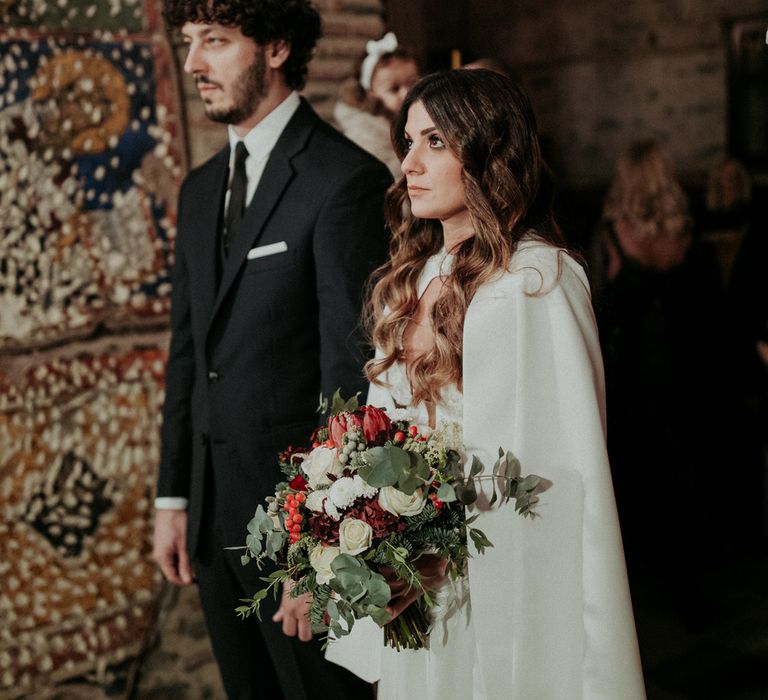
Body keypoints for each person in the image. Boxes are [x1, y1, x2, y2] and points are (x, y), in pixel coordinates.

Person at [326, 69, 646, 699]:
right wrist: (365, 526)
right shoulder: (413, 278)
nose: (410, 162)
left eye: (436, 142)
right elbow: (382, 435)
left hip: (491, 582)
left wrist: (440, 547)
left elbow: (559, 470)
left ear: (489, 153)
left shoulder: (536, 281)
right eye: (409, 140)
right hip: (414, 584)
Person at [152, 1, 391, 698]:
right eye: (189, 42)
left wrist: (321, 545)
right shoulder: (199, 193)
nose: (195, 62)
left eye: (217, 41)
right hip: (212, 519)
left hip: (297, 534)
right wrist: (174, 496)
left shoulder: (344, 182)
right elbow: (189, 355)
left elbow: (351, 378)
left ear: (278, 46)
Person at [593, 141, 726, 612]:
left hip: (634, 374)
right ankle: (689, 580)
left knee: (639, 472)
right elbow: (713, 309)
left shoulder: (612, 235)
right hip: (690, 370)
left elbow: (599, 313)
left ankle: (639, 587)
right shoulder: (688, 234)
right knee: (685, 470)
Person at [333, 32, 420, 177]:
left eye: (412, 84)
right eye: (394, 89)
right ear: (372, 93)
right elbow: (381, 174)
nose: (406, 94)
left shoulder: (413, 116)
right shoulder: (364, 131)